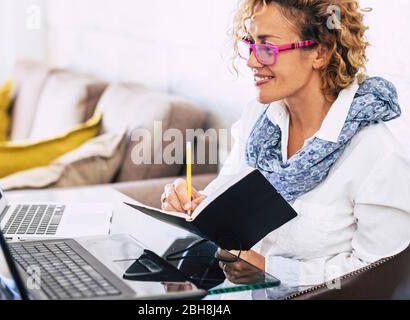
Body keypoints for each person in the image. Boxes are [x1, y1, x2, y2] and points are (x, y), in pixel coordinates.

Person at [160, 0, 410, 287]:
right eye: (250, 43)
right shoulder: (259, 119)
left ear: (321, 51)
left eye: (267, 47)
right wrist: (190, 203)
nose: (253, 61)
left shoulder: (379, 156)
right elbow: (225, 195)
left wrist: (272, 270)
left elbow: (379, 278)